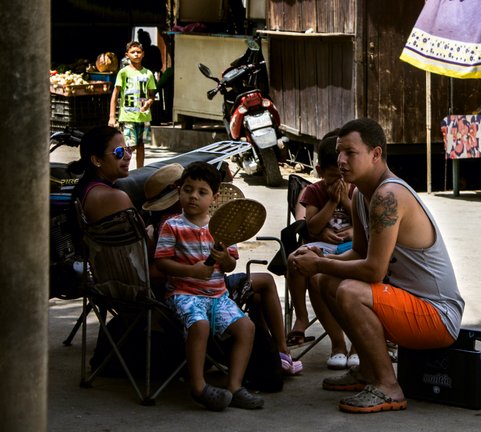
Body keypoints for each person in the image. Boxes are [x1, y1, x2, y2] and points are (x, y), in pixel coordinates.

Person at [291, 118, 465, 413]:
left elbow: (373, 270)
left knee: (349, 291)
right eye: (339, 153)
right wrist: (317, 261)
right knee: (324, 281)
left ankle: (388, 386)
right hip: (406, 304)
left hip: (437, 315)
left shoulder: (388, 196)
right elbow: (359, 252)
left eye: (351, 153)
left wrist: (320, 261)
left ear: (376, 154)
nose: (342, 161)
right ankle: (368, 372)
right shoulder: (360, 193)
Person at [153, 162, 263, 411]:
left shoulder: (223, 228)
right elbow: (162, 263)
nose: (193, 196)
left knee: (246, 327)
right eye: (188, 189)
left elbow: (230, 265)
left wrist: (225, 259)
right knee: (199, 325)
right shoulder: (172, 225)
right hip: (183, 294)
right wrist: (192, 271)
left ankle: (234, 386)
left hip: (218, 295)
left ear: (214, 197)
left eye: (202, 192)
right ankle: (199, 386)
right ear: (179, 191)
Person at [285, 131, 359, 370]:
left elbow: (365, 225)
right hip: (322, 245)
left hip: (350, 245)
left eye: (342, 178)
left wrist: (345, 202)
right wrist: (332, 202)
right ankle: (303, 317)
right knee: (295, 259)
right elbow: (312, 226)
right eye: (331, 179)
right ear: (319, 172)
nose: (338, 184)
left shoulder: (356, 190)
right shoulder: (314, 191)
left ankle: (357, 345)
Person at [69, 126, 135, 223]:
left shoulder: (85, 187)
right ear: (97, 160)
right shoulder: (114, 197)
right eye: (119, 152)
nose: (128, 156)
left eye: (128, 149)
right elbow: (141, 238)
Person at [108, 40, 157, 169]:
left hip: (144, 117)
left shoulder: (148, 73)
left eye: (138, 52)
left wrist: (148, 103)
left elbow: (152, 95)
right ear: (127, 55)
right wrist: (112, 116)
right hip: (127, 116)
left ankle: (140, 170)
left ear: (143, 54)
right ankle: (122, 168)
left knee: (141, 145)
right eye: (133, 52)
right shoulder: (123, 73)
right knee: (130, 146)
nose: (136, 54)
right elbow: (115, 94)